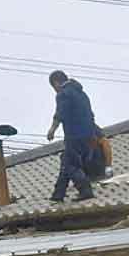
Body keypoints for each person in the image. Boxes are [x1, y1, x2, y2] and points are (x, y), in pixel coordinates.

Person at [46, 70, 96, 201]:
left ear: (56, 83)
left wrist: (52, 129)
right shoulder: (82, 94)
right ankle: (58, 194)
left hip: (74, 134)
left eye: (53, 87)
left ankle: (85, 190)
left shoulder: (64, 94)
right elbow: (91, 114)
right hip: (89, 134)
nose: (54, 90)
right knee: (67, 160)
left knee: (71, 165)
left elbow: (60, 113)